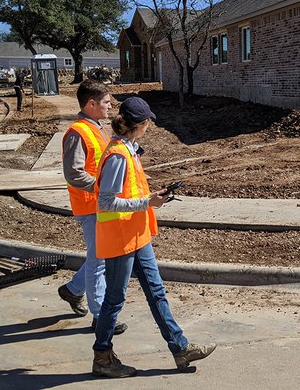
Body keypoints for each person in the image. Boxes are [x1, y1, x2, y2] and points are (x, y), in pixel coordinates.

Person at [91, 97, 216, 378]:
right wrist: (148, 202)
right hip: (120, 238)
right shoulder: (117, 157)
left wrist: (151, 199)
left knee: (156, 291)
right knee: (114, 299)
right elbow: (106, 203)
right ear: (142, 124)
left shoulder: (129, 150)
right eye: (148, 122)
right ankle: (102, 356)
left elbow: (132, 194)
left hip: (136, 235)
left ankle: (180, 348)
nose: (149, 127)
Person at [57, 79, 127, 335]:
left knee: (100, 256)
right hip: (90, 206)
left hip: (101, 204)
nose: (111, 106)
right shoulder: (78, 132)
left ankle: (73, 290)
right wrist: (102, 188)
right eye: (107, 102)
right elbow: (73, 173)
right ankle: (100, 316)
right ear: (92, 103)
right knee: (99, 261)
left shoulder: (97, 128)